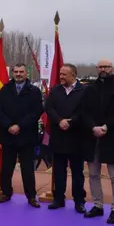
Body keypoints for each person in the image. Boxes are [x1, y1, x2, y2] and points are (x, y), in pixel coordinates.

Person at [81, 59, 114, 224]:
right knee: (93, 174)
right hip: (92, 136)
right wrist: (93, 127)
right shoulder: (90, 89)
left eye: (107, 66)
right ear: (97, 69)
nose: (104, 69)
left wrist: (106, 127)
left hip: (112, 136)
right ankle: (98, 205)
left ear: (112, 68)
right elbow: (84, 112)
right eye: (101, 67)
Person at [0, 63, 43, 208]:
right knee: (6, 167)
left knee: (27, 169)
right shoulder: (5, 89)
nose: (18, 74)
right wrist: (9, 125)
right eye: (16, 72)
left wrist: (19, 125)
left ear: (26, 73)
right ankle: (6, 192)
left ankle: (31, 196)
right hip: (8, 134)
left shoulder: (34, 91)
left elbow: (36, 111)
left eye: (21, 72)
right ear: (13, 73)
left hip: (26, 136)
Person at [45, 64, 87, 213]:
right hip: (59, 137)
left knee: (77, 172)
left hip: (76, 137)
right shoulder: (55, 90)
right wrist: (59, 121)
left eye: (64, 74)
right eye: (60, 74)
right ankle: (58, 199)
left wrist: (71, 122)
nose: (61, 77)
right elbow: (49, 108)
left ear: (73, 75)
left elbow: (85, 111)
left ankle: (79, 201)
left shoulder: (84, 91)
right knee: (58, 171)